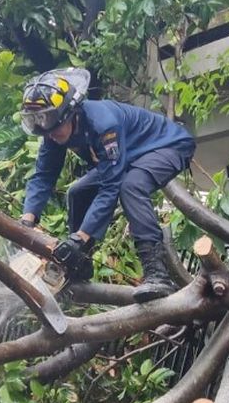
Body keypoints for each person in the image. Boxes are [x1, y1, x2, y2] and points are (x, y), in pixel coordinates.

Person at [17, 67, 196, 303]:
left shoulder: (103, 124)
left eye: (53, 125)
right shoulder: (53, 132)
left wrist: (79, 238)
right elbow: (43, 176)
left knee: (131, 186)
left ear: (71, 113)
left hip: (167, 146)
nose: (49, 134)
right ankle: (80, 265)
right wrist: (25, 224)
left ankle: (157, 274)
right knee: (78, 192)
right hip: (129, 156)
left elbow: (110, 187)